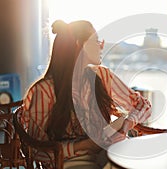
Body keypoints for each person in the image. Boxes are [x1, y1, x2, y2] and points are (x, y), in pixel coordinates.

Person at [21, 20, 152, 168]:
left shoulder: (102, 76)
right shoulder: (45, 90)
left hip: (108, 153)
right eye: (96, 41)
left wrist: (129, 122)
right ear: (80, 44)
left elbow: (143, 105)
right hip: (72, 162)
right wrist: (83, 146)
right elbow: (37, 150)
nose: (102, 46)